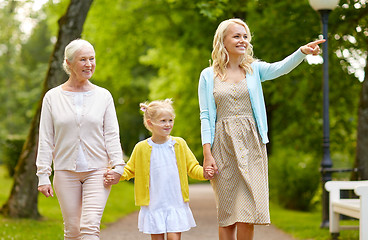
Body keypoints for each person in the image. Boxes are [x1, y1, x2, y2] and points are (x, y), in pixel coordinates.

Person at [198, 18, 325, 240]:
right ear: (223, 40)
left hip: (252, 146)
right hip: (223, 145)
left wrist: (301, 53)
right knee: (227, 213)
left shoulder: (255, 70)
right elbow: (206, 116)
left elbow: (280, 68)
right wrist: (207, 153)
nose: (242, 40)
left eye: (245, 36)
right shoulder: (208, 75)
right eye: (236, 36)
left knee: (248, 212)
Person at [36, 39, 125, 240]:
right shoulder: (52, 97)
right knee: (73, 230)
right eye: (82, 59)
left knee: (90, 227)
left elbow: (111, 134)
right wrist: (43, 175)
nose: (89, 64)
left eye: (92, 59)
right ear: (68, 63)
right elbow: (45, 138)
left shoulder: (104, 96)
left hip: (98, 171)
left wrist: (119, 166)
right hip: (65, 172)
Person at [105, 99, 213, 240]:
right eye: (163, 121)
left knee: (174, 238)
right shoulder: (141, 148)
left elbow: (192, 167)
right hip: (154, 204)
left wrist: (204, 173)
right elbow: (130, 170)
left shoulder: (179, 144)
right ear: (150, 123)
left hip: (175, 202)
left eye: (170, 120)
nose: (168, 124)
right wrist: (117, 175)